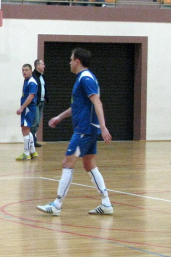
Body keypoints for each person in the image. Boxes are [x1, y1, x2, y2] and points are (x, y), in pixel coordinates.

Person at [37, 48, 113, 216]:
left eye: (71, 59)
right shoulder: (83, 78)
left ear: (77, 61)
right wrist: (59, 117)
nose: (69, 62)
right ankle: (106, 203)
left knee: (67, 162)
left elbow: (97, 103)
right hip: (88, 129)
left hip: (84, 130)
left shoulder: (85, 79)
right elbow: (78, 106)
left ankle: (57, 204)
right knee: (89, 164)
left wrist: (104, 126)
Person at [15, 64, 38, 160]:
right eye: (23, 70)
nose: (24, 72)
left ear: (31, 71)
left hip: (28, 109)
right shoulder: (26, 81)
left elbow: (31, 96)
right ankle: (33, 152)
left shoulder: (32, 82)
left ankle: (26, 153)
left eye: (27, 70)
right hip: (27, 109)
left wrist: (22, 108)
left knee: (25, 130)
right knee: (26, 130)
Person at [32, 59, 48, 147]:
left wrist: (46, 98)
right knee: (35, 122)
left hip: (42, 101)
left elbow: (44, 88)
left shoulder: (42, 76)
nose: (44, 66)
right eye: (42, 64)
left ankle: (33, 140)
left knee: (37, 123)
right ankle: (30, 140)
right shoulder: (33, 76)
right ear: (37, 66)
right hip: (35, 102)